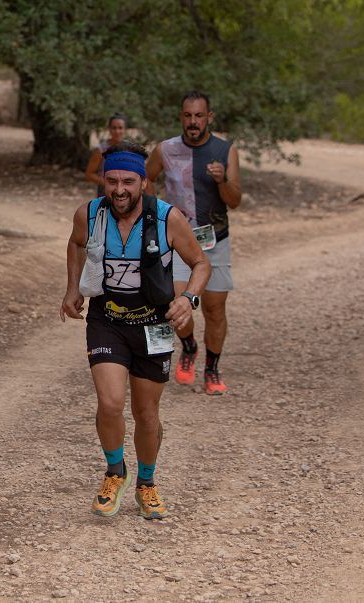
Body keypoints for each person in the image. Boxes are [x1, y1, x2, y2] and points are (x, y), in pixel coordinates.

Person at [61, 144, 210, 520]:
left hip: (153, 323)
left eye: (128, 181)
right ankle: (115, 472)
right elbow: (75, 244)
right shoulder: (89, 214)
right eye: (111, 181)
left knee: (146, 413)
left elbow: (200, 263)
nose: (119, 190)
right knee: (110, 403)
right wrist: (72, 288)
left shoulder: (167, 218)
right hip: (107, 320)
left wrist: (188, 298)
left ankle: (146, 482)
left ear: (144, 182)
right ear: (103, 181)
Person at [146, 91, 242, 395]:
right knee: (176, 304)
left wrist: (222, 180)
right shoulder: (165, 149)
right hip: (178, 240)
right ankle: (188, 346)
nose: (193, 121)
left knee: (214, 309)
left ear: (209, 117)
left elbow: (235, 201)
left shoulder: (225, 150)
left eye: (199, 116)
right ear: (181, 117)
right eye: (187, 115)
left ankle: (212, 369)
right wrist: (153, 217)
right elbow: (145, 180)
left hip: (215, 240)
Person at [85, 114, 128, 196]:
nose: (117, 131)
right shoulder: (100, 149)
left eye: (120, 128)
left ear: (125, 129)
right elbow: (89, 174)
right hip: (105, 194)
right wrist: (108, 183)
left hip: (126, 193)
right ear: (109, 129)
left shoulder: (130, 149)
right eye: (114, 128)